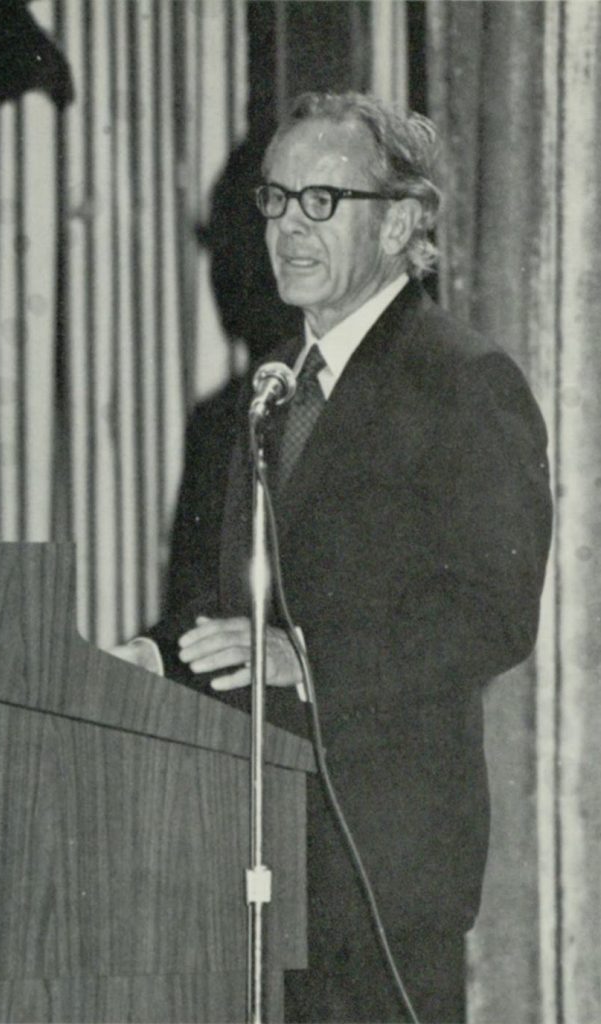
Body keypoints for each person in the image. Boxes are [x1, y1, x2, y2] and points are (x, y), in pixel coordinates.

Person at [122, 91, 552, 1023]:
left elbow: (490, 613)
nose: (288, 227)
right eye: (275, 200)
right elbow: (230, 606)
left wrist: (307, 657)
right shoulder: (264, 394)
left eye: (323, 201)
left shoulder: (462, 381)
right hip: (249, 845)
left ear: (401, 221)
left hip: (382, 861)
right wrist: (148, 657)